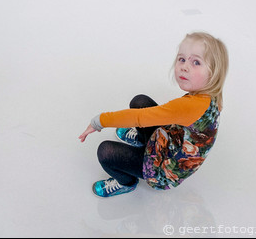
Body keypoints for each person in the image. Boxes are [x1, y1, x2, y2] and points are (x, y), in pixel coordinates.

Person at [79, 32, 227, 197]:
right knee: (139, 102)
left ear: (213, 73)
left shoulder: (190, 107)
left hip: (165, 172)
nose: (185, 66)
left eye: (196, 62)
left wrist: (99, 121)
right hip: (173, 141)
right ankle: (144, 141)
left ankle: (126, 182)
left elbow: (140, 118)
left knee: (105, 152)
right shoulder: (211, 94)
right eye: (182, 59)